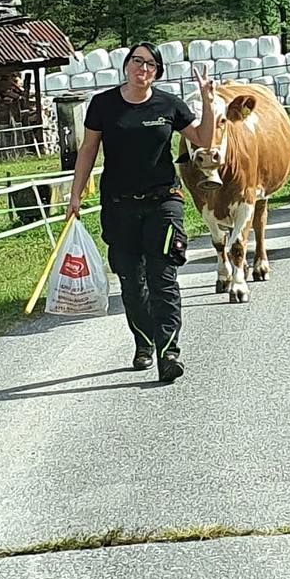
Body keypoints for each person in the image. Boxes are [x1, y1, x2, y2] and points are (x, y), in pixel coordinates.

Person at [65, 43, 215, 383]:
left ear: (157, 72)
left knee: (163, 278)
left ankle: (169, 351)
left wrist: (206, 100)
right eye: (137, 61)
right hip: (119, 205)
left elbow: (204, 140)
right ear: (126, 66)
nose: (142, 68)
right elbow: (89, 150)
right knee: (132, 281)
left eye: (149, 64)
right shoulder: (103, 105)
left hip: (164, 201)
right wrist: (76, 194)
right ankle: (144, 342)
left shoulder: (169, 105)